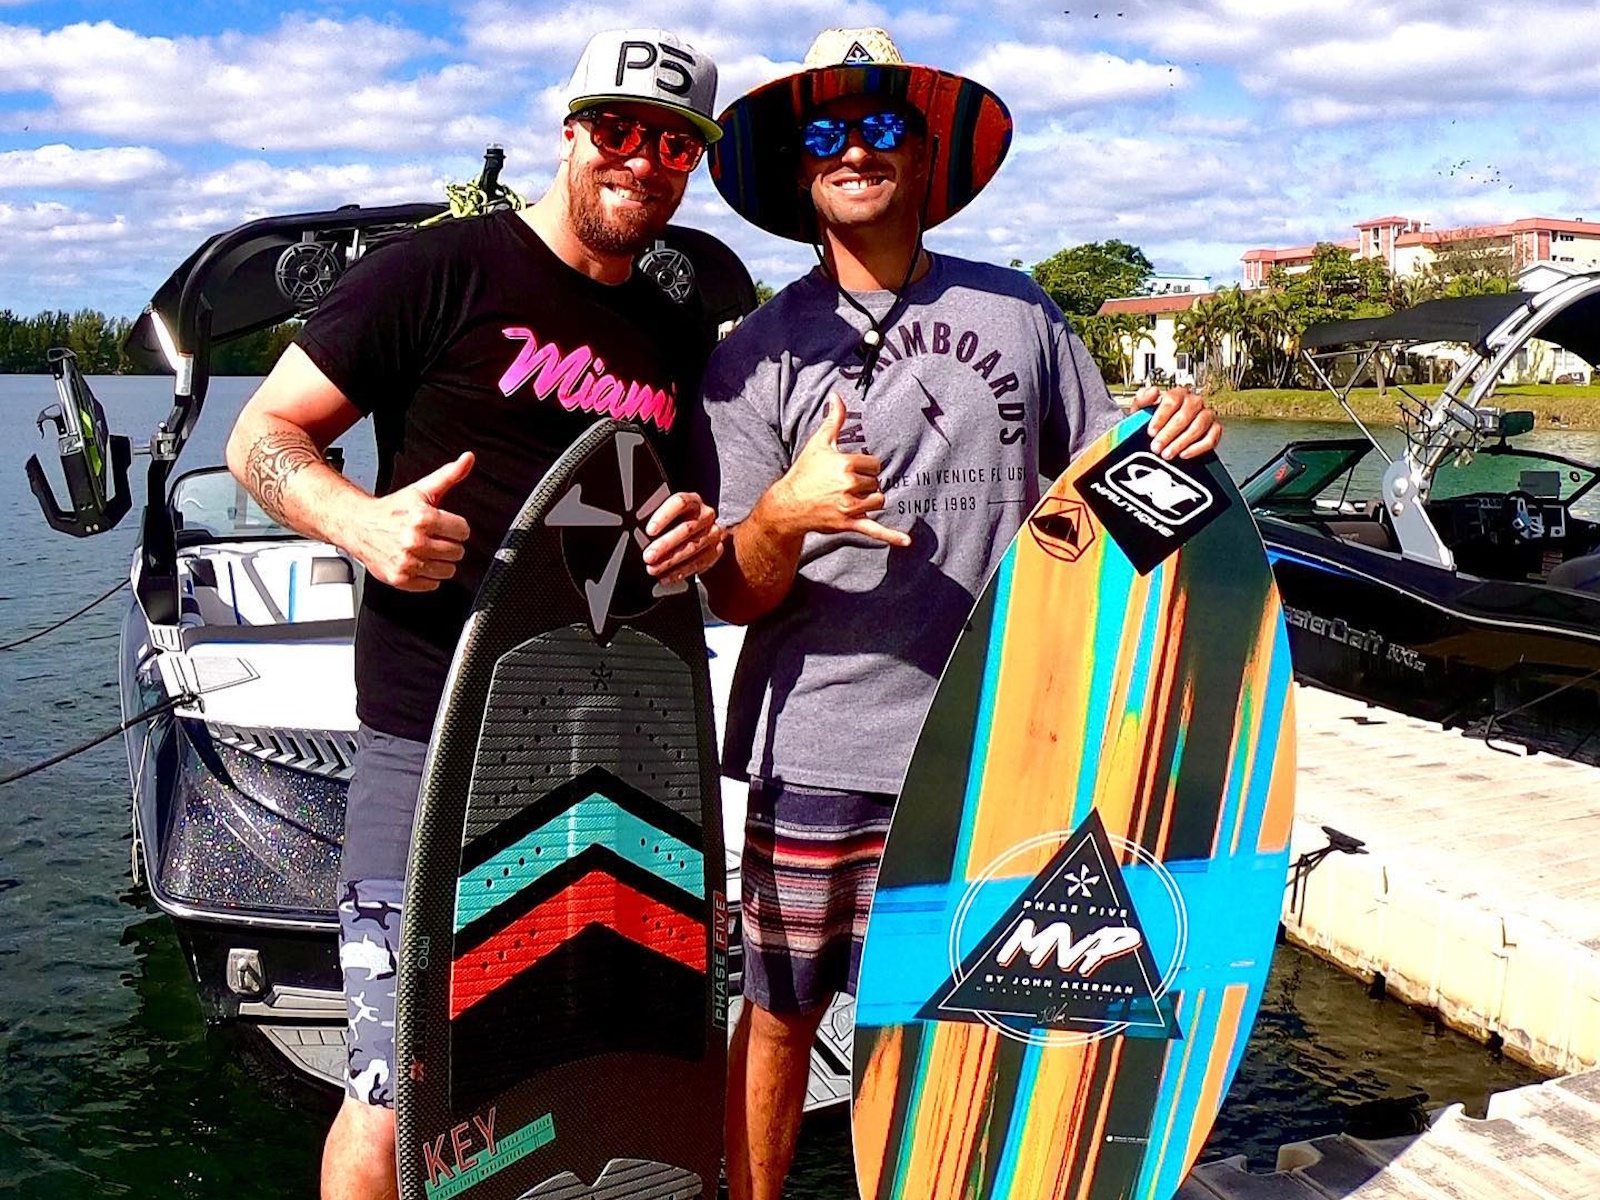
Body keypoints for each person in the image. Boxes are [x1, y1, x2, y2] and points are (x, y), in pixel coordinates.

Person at [696, 27, 1221, 1200]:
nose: (854, 150)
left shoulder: (1020, 314)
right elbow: (732, 586)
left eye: (881, 125)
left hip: (1000, 745)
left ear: (923, 156)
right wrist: (783, 513)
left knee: (969, 1020)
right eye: (826, 135)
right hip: (817, 744)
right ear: (798, 172)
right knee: (779, 1013)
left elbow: (1110, 505)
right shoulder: (753, 358)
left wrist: (1179, 441)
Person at [223, 29, 726, 1200]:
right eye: (618, 129)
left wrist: (697, 542)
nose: (642, 159)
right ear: (570, 131)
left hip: (613, 764)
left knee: (559, 1087)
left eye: (673, 144)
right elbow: (263, 434)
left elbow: (682, 510)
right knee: (395, 1092)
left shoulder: (673, 330)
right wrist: (361, 524)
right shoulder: (438, 271)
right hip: (432, 750)